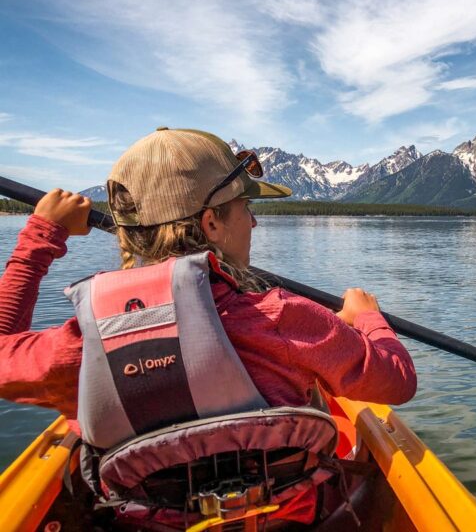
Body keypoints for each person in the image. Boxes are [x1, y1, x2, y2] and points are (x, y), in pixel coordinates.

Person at [0, 128, 417, 526]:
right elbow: (396, 382)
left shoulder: (88, 346)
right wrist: (366, 318)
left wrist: (42, 236)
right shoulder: (283, 317)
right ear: (212, 224)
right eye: (246, 210)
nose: (253, 223)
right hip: (294, 522)